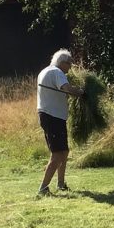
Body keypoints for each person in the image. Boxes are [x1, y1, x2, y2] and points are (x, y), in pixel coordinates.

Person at [36, 49, 84, 196]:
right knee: (57, 154)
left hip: (50, 116)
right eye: (69, 65)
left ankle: (61, 184)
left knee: (64, 151)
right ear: (63, 62)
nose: (70, 69)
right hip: (53, 117)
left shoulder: (45, 71)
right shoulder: (57, 72)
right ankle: (43, 189)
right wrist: (82, 93)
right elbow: (67, 88)